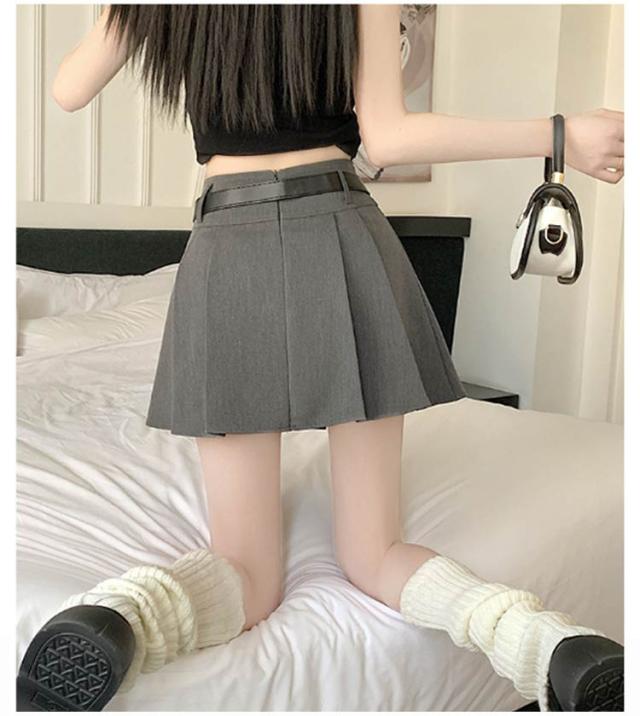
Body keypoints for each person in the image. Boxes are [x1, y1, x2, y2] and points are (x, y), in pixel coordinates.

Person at [17, 4, 624, 713]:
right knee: (375, 553)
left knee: (246, 572)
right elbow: (390, 138)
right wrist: (559, 133)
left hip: (229, 243)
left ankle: (125, 617)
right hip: (341, 232)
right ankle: (541, 641)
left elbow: (68, 88)